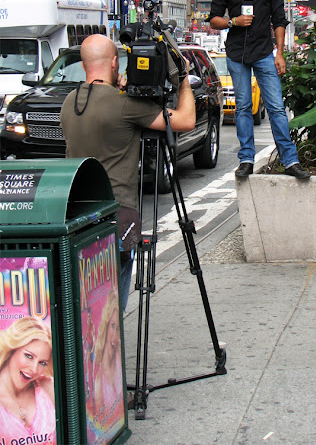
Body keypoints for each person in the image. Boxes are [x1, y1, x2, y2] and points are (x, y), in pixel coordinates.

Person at [61, 34, 195, 315]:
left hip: (76, 217)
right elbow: (186, 120)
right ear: (113, 62)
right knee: (111, 309)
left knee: (87, 298)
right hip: (117, 217)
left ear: (84, 64)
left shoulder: (69, 104)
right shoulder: (125, 105)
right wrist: (182, 80)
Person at [208, 0, 310, 180]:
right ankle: (246, 159)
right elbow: (213, 19)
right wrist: (234, 21)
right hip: (236, 55)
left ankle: (290, 160)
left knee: (276, 107)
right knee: (242, 107)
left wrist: (280, 54)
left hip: (264, 54)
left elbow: (279, 20)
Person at [0, 316, 56, 444]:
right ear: (12, 349)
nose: (34, 369)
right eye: (29, 356)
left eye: (42, 362)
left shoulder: (47, 387)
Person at [94, 291, 122, 419]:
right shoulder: (99, 381)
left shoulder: (117, 354)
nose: (115, 336)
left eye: (117, 328)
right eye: (112, 326)